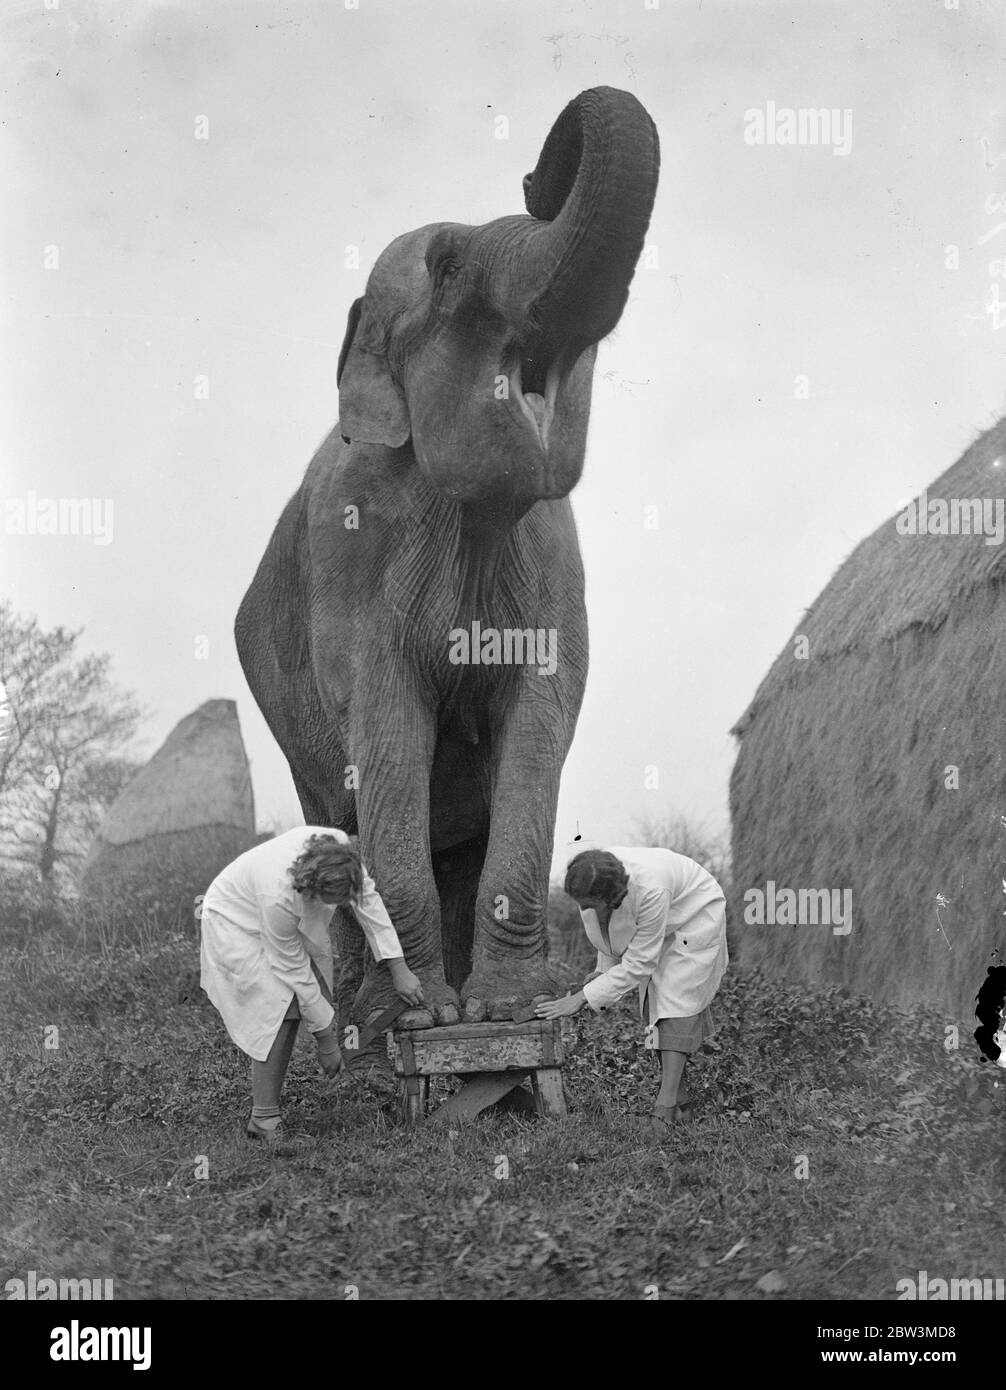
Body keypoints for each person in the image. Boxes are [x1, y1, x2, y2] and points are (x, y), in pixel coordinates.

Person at [200, 826, 423, 1144]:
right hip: (233, 918)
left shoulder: (340, 850)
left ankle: (265, 1116)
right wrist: (327, 1043)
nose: (345, 904)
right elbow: (296, 973)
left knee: (290, 1004)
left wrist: (399, 968)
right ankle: (263, 1119)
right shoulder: (278, 897)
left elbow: (368, 902)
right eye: (336, 900)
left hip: (267, 911)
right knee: (278, 1005)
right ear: (313, 891)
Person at [536, 846, 728, 1133]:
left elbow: (639, 963)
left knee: (674, 1006)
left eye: (589, 903)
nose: (583, 909)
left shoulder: (651, 890)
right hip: (659, 921)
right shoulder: (588, 876)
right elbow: (612, 930)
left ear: (610, 897)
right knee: (653, 1008)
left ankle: (663, 1112)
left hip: (693, 916)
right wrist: (603, 970)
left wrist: (581, 998)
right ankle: (682, 1104)